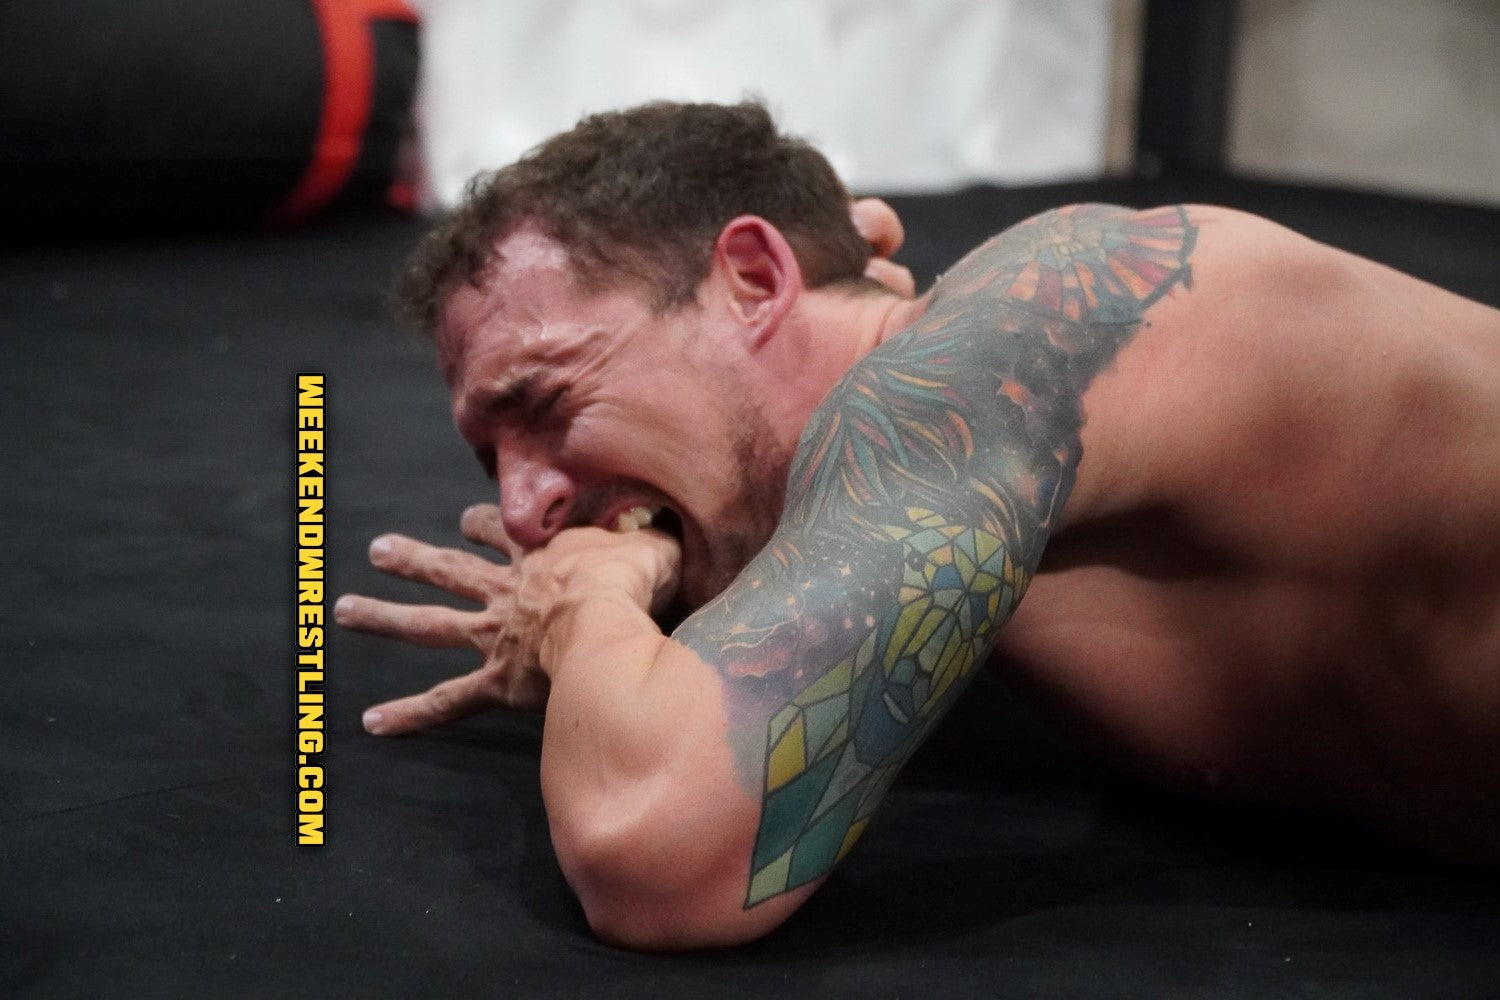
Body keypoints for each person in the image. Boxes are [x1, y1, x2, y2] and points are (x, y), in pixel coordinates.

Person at [335, 100, 1500, 949]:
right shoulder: (961, 454)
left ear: (755, 279)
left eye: (545, 402)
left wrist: (585, 609)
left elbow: (661, 850)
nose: (524, 510)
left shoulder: (1010, 337)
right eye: (491, 459)